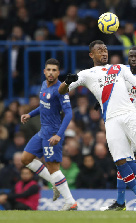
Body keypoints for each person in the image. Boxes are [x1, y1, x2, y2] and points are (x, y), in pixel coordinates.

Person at [58, 40, 136, 211]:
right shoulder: (86, 73)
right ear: (92, 55)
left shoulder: (120, 68)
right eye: (99, 50)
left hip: (130, 114)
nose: (104, 53)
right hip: (111, 120)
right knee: (121, 161)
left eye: (105, 49)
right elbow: (62, 91)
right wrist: (67, 82)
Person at [20, 58, 77, 211]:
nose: (51, 73)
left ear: (58, 73)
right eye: (49, 70)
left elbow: (69, 113)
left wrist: (58, 134)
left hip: (52, 132)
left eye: (54, 70)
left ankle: (70, 201)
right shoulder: (44, 84)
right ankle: (54, 182)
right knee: (25, 158)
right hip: (42, 131)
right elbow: (43, 105)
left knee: (53, 167)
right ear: (44, 71)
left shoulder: (60, 90)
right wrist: (30, 114)